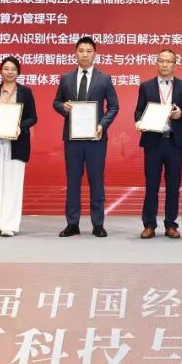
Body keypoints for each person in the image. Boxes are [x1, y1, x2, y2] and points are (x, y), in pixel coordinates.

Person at [53, 36, 119, 237]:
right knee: (73, 181)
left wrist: (102, 125)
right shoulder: (66, 78)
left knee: (96, 180)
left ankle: (98, 224)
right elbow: (57, 102)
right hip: (72, 139)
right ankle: (72, 223)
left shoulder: (104, 79)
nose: (84, 54)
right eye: (81, 51)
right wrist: (63, 107)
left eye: (89, 51)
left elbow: (114, 106)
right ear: (75, 53)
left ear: (95, 54)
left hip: (95, 139)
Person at [134, 49, 182, 239]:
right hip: (153, 141)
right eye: (162, 60)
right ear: (157, 63)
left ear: (175, 65)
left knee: (173, 185)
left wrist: (180, 114)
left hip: (174, 141)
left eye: (169, 61)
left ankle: (171, 224)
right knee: (151, 184)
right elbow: (138, 111)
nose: (165, 64)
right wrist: (140, 122)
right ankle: (149, 225)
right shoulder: (146, 86)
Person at [0, 56, 37, 237]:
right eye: (6, 68)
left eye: (13, 69)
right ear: (0, 70)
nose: (10, 72)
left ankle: (9, 225)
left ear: (18, 72)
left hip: (17, 143)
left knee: (13, 184)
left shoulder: (25, 92)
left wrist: (20, 127)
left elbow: (33, 117)